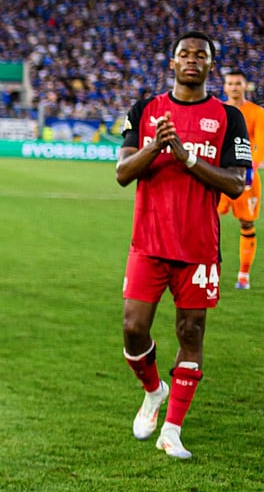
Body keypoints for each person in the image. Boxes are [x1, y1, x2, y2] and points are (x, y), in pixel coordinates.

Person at [116, 30, 251, 459]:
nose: (192, 60)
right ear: (171, 63)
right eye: (183, 54)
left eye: (201, 55)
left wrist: (187, 157)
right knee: (133, 328)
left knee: (190, 333)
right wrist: (157, 144)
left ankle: (172, 430)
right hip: (148, 243)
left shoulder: (229, 118)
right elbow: (122, 172)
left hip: (198, 248)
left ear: (211, 65)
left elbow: (235, 182)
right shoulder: (145, 110)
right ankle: (154, 390)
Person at [217, 70, 264, 289]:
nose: (234, 87)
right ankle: (204, 267)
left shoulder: (257, 113)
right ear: (225, 87)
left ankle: (243, 275)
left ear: (245, 86)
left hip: (246, 175)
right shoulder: (218, 110)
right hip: (218, 174)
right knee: (206, 218)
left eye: (238, 83)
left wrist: (250, 167)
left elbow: (261, 144)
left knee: (247, 223)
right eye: (230, 83)